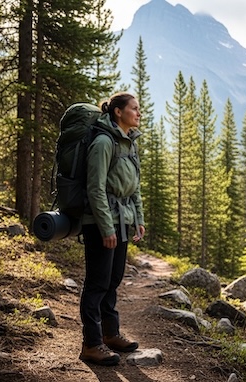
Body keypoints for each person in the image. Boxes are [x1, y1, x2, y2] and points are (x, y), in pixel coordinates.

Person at [78, 92, 146, 366]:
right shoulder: (104, 142)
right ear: (118, 112)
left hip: (122, 220)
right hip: (100, 222)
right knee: (97, 283)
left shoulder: (128, 143)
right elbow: (95, 189)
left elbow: (134, 188)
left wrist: (138, 219)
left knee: (114, 279)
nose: (139, 113)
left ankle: (110, 334)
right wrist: (106, 228)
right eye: (134, 109)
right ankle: (91, 344)